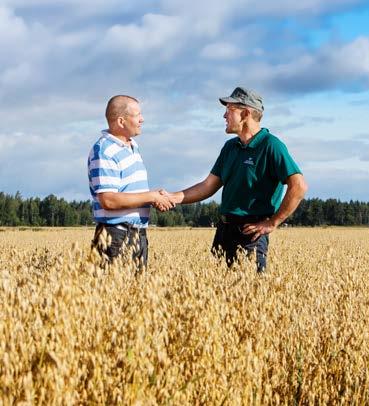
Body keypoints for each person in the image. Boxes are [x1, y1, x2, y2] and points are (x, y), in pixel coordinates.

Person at [168, 87, 308, 272]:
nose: (224, 116)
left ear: (246, 113)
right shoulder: (230, 147)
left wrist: (273, 222)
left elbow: (298, 186)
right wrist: (172, 197)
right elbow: (207, 186)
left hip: (250, 234)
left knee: (249, 293)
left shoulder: (271, 145)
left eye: (229, 109)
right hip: (224, 231)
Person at [88, 95, 175, 270]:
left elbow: (132, 194)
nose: (142, 119)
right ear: (121, 121)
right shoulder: (104, 150)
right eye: (137, 115)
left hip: (136, 235)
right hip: (114, 236)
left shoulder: (132, 147)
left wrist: (153, 198)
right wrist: (151, 197)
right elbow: (109, 200)